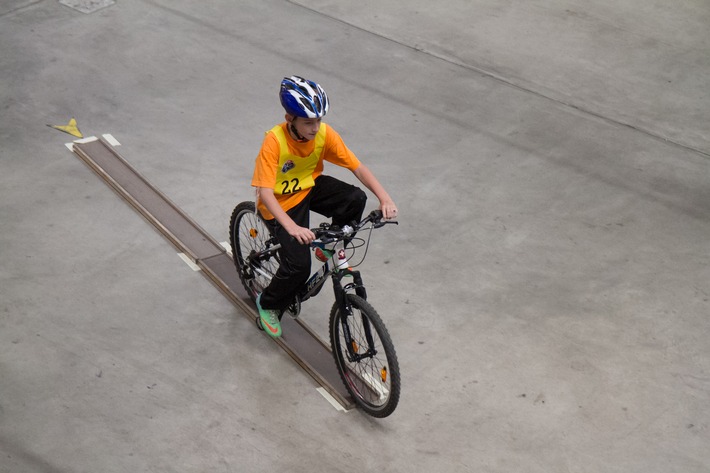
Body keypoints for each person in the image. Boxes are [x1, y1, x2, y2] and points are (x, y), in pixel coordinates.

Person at [250, 75, 398, 337]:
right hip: (281, 203)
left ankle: (328, 248)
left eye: (318, 120)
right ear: (289, 119)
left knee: (355, 198)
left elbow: (357, 168)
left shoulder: (324, 134)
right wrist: (293, 227)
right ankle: (269, 304)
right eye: (308, 122)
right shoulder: (274, 142)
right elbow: (265, 192)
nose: (315, 128)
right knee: (298, 268)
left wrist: (384, 197)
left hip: (309, 187)